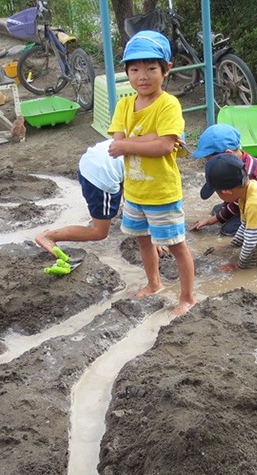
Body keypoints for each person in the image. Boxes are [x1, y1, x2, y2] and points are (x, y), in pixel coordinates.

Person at [107, 30, 196, 315]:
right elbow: (118, 141)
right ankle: (154, 283)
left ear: (166, 69)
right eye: (134, 69)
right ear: (127, 73)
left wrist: (130, 145)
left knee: (177, 245)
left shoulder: (168, 104)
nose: (142, 76)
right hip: (134, 191)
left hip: (161, 192)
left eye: (150, 69)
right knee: (143, 241)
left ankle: (187, 297)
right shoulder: (123, 104)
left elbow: (165, 145)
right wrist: (146, 140)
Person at [34, 139, 124, 274]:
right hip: (101, 175)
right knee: (99, 232)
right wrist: (154, 238)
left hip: (92, 161)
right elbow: (144, 200)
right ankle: (48, 236)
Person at [188, 123, 257, 236]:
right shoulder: (239, 162)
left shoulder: (245, 173)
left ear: (228, 153)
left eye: (210, 160)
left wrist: (211, 220)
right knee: (217, 210)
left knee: (227, 230)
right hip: (249, 198)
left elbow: (237, 203)